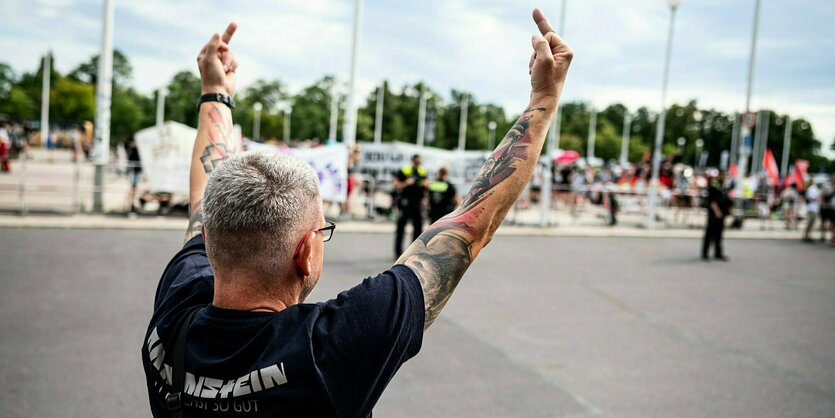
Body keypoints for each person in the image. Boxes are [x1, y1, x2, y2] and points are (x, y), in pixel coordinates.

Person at [141, 10, 572, 417]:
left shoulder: (175, 309)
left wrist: (214, 91)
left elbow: (205, 193)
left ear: (209, 241)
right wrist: (545, 97)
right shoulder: (329, 351)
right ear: (305, 251)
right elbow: (469, 224)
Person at [392, 154, 428, 258]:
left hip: (417, 202)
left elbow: (426, 187)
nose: (418, 164)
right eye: (416, 162)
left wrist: (426, 185)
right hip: (406, 201)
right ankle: (398, 253)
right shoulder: (404, 171)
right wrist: (406, 183)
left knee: (418, 228)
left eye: (419, 162)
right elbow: (396, 185)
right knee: (401, 227)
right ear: (412, 161)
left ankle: (414, 253)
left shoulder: (422, 172)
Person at [702, 170, 731, 261]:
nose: (724, 177)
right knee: (710, 234)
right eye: (723, 175)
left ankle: (718, 253)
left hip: (722, 214)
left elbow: (727, 200)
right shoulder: (714, 186)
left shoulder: (723, 186)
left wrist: (728, 209)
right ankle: (705, 254)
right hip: (714, 214)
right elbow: (712, 201)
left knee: (719, 234)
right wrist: (717, 212)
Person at [126, 136, 142, 214]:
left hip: (135, 172)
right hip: (134, 172)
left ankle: (132, 204)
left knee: (134, 189)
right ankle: (131, 204)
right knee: (133, 189)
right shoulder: (133, 150)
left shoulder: (134, 150)